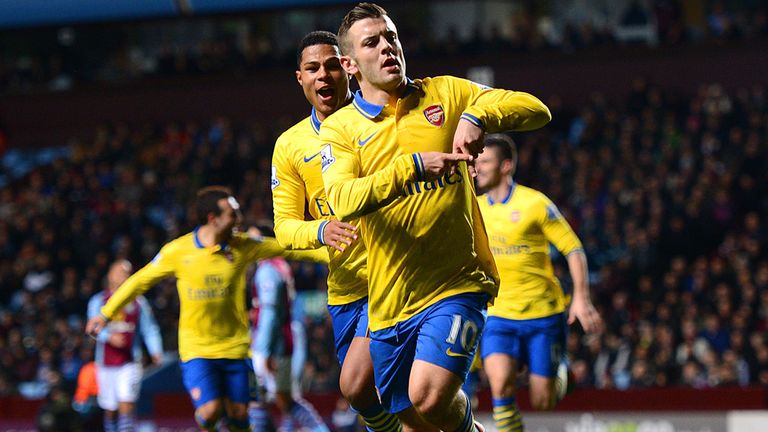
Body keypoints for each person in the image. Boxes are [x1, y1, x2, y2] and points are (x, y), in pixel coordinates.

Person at [320, 3, 551, 431]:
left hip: (457, 283)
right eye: (372, 43)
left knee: (426, 397)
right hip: (389, 301)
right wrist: (411, 168)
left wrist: (479, 114)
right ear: (350, 64)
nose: (387, 48)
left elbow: (536, 109)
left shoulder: (446, 93)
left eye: (391, 37)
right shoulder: (341, 130)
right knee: (411, 419)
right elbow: (342, 198)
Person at [86, 186, 327, 432]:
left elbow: (289, 248)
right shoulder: (178, 251)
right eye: (232, 214)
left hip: (236, 348)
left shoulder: (243, 245)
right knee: (211, 411)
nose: (239, 219)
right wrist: (106, 313)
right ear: (213, 218)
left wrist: (331, 251)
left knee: (240, 414)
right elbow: (140, 280)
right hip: (197, 350)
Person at [271, 30, 399, 431]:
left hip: (395, 276)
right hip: (346, 288)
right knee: (360, 395)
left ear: (348, 68)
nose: (322, 75)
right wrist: (322, 229)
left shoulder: (383, 121)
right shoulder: (290, 146)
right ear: (300, 78)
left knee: (369, 385)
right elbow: (284, 228)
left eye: (331, 65)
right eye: (312, 68)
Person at [474, 134, 603, 432]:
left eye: (485, 162)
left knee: (543, 399)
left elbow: (573, 248)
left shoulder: (534, 203)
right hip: (499, 315)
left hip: (542, 313)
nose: (478, 168)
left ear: (506, 166)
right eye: (477, 161)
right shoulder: (474, 208)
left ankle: (561, 370)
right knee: (500, 388)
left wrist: (580, 297)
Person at [249, 226, 329, 431]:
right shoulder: (280, 265)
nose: (248, 242)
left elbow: (270, 312)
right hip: (284, 343)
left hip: (274, 345)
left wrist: (263, 350)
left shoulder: (267, 269)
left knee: (256, 399)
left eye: (253, 238)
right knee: (283, 400)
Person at [86, 259, 163, 432]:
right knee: (111, 410)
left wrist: (156, 351)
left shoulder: (138, 302)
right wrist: (108, 337)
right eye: (119, 272)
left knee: (126, 403)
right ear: (109, 275)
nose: (123, 276)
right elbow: (91, 328)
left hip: (130, 362)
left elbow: (149, 329)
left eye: (126, 273)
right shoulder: (98, 301)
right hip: (105, 364)